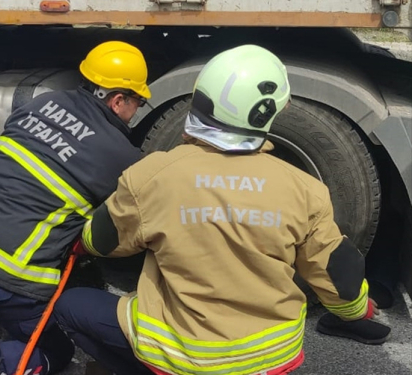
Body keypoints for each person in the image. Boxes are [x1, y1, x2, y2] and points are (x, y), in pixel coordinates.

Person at [52, 44, 390, 375]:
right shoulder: (305, 190)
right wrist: (358, 311)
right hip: (269, 357)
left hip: (179, 355)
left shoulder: (154, 174)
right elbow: (337, 275)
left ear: (199, 98)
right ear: (270, 112)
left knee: (70, 306)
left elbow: (102, 241)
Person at [0, 41, 151, 375]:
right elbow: (116, 231)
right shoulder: (121, 157)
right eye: (138, 101)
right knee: (55, 350)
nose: (137, 110)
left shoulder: (44, 103)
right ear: (118, 99)